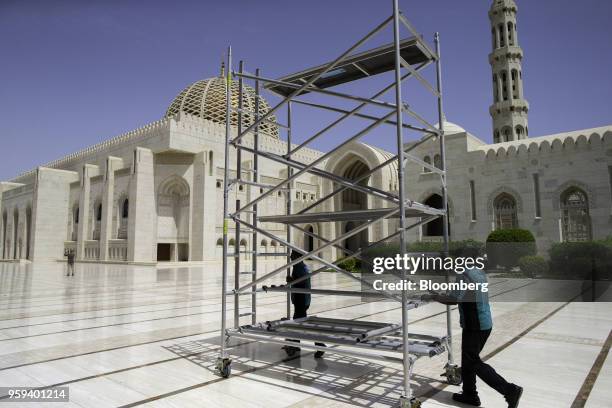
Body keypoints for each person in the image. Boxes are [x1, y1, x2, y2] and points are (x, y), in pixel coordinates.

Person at [422, 248, 523, 408]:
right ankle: (470, 394)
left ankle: (509, 390)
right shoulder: (478, 272)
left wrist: (433, 296)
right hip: (484, 323)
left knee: (473, 362)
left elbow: (453, 299)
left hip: (474, 324)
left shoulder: (464, 274)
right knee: (468, 360)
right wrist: (440, 294)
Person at [284, 250, 326, 358]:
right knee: (298, 323)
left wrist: (291, 281)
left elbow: (302, 283)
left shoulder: (300, 268)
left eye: (293, 255)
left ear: (298, 256)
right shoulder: (300, 266)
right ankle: (296, 344)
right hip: (301, 300)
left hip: (301, 300)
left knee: (303, 325)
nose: (291, 257)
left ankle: (320, 345)